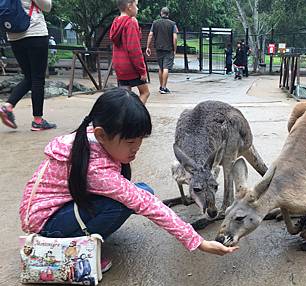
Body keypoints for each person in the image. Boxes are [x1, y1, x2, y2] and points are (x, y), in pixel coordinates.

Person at [19, 88, 238, 273]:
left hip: (53, 211)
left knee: (144, 190)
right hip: (47, 226)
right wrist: (198, 242)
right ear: (102, 134)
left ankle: (81, 229)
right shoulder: (97, 170)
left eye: (140, 141)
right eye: (131, 142)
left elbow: (142, 197)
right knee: (125, 202)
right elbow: (146, 205)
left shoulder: (89, 139)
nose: (137, 149)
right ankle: (81, 252)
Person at [0, 0, 56, 131]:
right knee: (37, 78)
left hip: (14, 36)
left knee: (29, 77)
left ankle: (7, 106)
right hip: (34, 32)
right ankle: (38, 120)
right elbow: (47, 7)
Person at [110, 0, 150, 104]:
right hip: (131, 67)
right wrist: (142, 71)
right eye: (136, 5)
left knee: (125, 98)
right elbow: (134, 50)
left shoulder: (116, 22)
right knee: (145, 93)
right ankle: (136, 117)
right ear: (129, 6)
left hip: (119, 67)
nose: (138, 8)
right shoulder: (131, 22)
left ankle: (124, 119)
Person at [145, 7, 177, 94]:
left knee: (161, 67)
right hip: (169, 48)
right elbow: (175, 37)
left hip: (158, 48)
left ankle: (161, 86)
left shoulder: (155, 23)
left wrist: (148, 47)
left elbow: (150, 35)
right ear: (168, 14)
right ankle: (163, 87)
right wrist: (175, 49)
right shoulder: (172, 24)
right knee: (166, 68)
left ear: (161, 13)